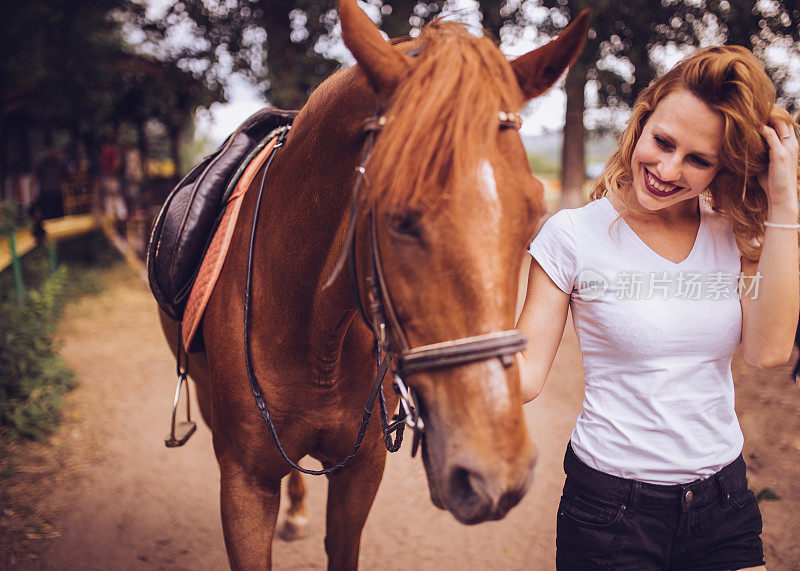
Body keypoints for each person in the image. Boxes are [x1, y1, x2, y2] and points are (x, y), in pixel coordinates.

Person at [516, 45, 799, 569]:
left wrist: (784, 202)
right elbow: (526, 376)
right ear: (642, 122)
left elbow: (768, 350)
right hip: (609, 512)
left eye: (698, 160)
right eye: (663, 142)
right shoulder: (572, 235)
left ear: (722, 167)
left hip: (723, 503)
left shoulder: (734, 232)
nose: (667, 169)